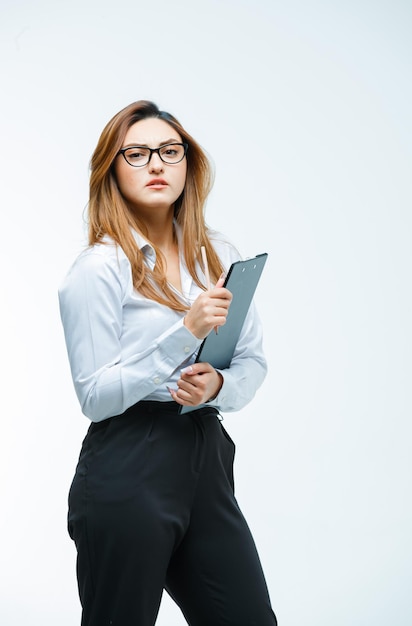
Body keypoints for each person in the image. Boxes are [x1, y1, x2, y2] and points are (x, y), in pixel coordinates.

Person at [58, 99, 277, 626]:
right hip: (130, 457)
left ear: (188, 164)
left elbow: (252, 361)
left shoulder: (218, 254)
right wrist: (186, 335)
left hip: (205, 456)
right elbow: (94, 396)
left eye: (169, 151)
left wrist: (217, 384)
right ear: (112, 168)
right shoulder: (98, 268)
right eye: (136, 153)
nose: (156, 164)